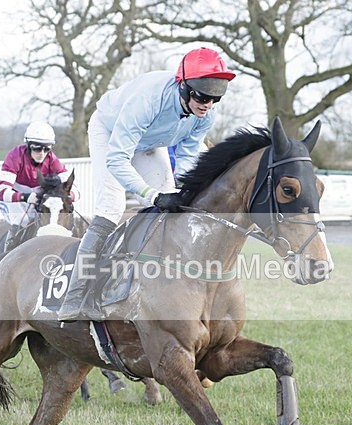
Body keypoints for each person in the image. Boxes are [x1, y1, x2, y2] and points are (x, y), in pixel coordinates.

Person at [57, 46, 236, 321]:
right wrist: (150, 195)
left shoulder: (205, 115)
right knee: (112, 208)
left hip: (150, 141)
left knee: (172, 205)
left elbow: (188, 157)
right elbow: (117, 160)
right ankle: (75, 295)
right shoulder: (148, 100)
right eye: (202, 95)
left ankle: (156, 285)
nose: (207, 104)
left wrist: (180, 192)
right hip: (110, 133)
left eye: (215, 98)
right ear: (184, 86)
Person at [0, 121, 68, 252]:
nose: (42, 153)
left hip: (36, 200)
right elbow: (1, 192)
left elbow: (74, 188)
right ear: (28, 146)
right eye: (37, 148)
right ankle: (5, 255)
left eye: (47, 149)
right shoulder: (15, 156)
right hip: (13, 200)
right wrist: (25, 196)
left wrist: (68, 196)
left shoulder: (52, 159)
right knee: (22, 220)